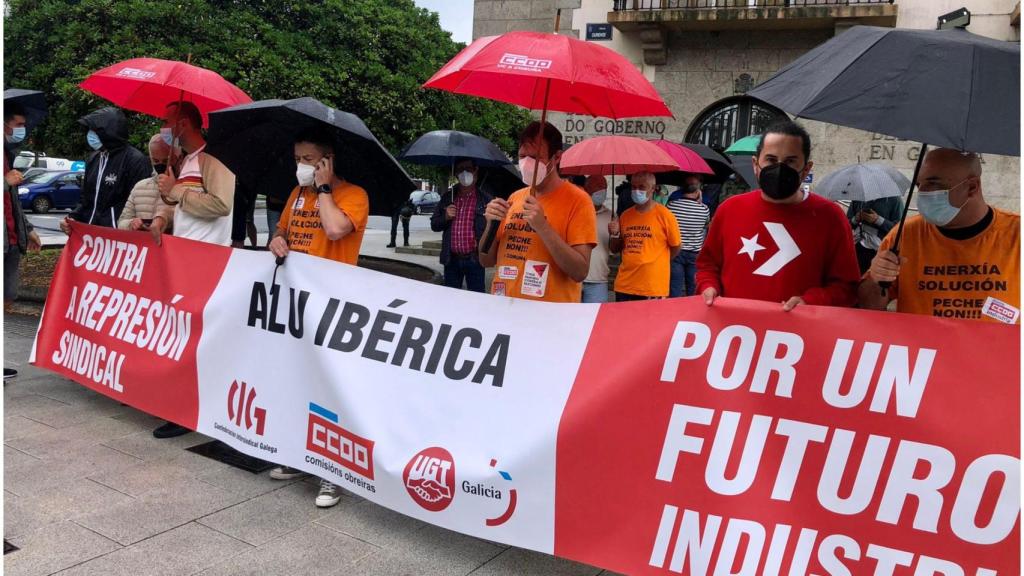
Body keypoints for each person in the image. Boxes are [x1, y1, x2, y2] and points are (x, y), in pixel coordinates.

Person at [266, 129, 369, 508]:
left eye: (309, 159)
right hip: (296, 306)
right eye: (298, 159)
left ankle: (332, 472)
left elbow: (335, 229)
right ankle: (300, 457)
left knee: (330, 390)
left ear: (327, 161)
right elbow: (281, 231)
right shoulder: (296, 195)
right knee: (298, 383)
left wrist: (324, 190)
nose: (301, 167)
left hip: (335, 308)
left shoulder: (353, 195)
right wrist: (276, 240)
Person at [696, 120, 859, 310]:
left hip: (798, 335)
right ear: (756, 164)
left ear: (806, 169)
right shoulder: (729, 209)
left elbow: (847, 287)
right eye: (771, 160)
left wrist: (812, 301)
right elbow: (707, 266)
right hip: (733, 331)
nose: (779, 168)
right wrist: (708, 287)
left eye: (790, 161)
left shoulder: (831, 217)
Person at [149, 101, 236, 439]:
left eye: (167, 121)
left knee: (193, 338)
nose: (163, 128)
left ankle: (187, 411)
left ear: (183, 123)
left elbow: (220, 204)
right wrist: (162, 214)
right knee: (182, 335)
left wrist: (176, 194)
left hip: (206, 263)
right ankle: (181, 405)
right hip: (185, 260)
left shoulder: (214, 159)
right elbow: (180, 205)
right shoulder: (184, 161)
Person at [859, 148, 1020, 323]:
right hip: (923, 348)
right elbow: (868, 307)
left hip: (998, 349)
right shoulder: (904, 235)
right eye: (919, 185)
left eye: (934, 184)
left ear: (972, 187)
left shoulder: (1016, 233)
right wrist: (876, 278)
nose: (923, 193)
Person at [479, 121, 596, 302]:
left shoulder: (579, 201)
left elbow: (579, 271)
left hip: (549, 316)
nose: (527, 163)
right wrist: (491, 224)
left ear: (556, 158)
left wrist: (543, 227)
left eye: (535, 157)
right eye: (522, 156)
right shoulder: (515, 198)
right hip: (505, 308)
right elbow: (485, 261)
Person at [60, 107, 151, 232]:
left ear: (108, 132)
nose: (90, 135)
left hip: (118, 237)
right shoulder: (94, 158)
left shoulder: (135, 160)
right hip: (90, 236)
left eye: (94, 130)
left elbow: (140, 203)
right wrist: (72, 218)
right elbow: (85, 199)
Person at [3, 103, 42, 379]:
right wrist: (4, 182)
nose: (21, 129)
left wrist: (27, 228)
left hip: (11, 238)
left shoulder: (8, 152)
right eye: (18, 123)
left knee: (6, 298)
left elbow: (13, 199)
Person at [609, 171, 681, 301]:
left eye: (642, 187)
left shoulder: (665, 215)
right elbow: (615, 249)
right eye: (633, 187)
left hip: (651, 286)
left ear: (653, 189)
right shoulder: (625, 215)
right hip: (625, 284)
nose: (637, 191)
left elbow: (676, 247)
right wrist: (614, 234)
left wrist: (658, 261)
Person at [430, 158, 492, 292]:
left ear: (476, 170)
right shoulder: (448, 197)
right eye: (460, 170)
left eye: (468, 169)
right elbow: (434, 225)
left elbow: (493, 231)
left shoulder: (486, 200)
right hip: (451, 260)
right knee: (451, 299)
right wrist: (445, 217)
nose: (464, 173)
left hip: (475, 260)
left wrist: (481, 245)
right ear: (455, 174)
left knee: (476, 299)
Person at [117, 134, 175, 233]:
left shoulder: (182, 189)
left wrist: (163, 221)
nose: (160, 164)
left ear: (175, 158)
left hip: (168, 246)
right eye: (155, 160)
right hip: (142, 245)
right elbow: (121, 222)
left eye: (165, 160)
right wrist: (131, 224)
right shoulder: (140, 187)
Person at [666, 173, 710, 297]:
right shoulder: (704, 209)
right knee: (693, 287)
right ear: (697, 189)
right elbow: (705, 227)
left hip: (676, 252)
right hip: (695, 254)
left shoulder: (671, 206)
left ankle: (674, 313)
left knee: (675, 286)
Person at [846, 195, 904, 274]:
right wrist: (855, 219)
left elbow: (900, 230)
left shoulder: (894, 200)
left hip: (879, 250)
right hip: (856, 247)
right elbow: (846, 224)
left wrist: (878, 220)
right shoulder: (858, 198)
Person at [581, 175, 611, 303]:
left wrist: (615, 234)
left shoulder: (611, 216)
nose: (600, 192)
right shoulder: (576, 211)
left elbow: (615, 249)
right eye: (596, 188)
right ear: (587, 190)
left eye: (603, 188)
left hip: (599, 280)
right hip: (573, 278)